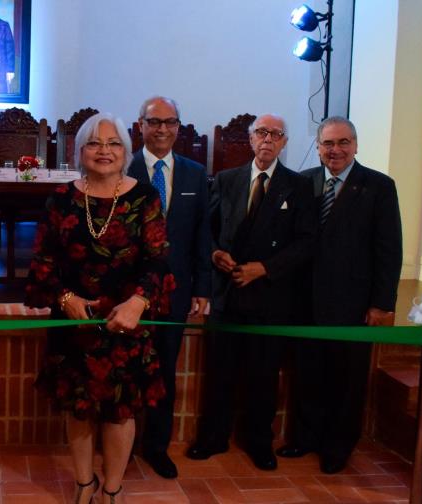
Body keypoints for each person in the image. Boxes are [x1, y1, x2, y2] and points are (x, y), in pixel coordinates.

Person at [26, 112, 174, 504]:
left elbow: (158, 259)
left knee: (120, 411)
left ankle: (112, 488)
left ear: (126, 151)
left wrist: (138, 302)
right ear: (80, 151)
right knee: (78, 408)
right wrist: (64, 298)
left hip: (126, 322)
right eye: (94, 143)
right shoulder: (61, 198)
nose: (104, 151)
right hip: (74, 322)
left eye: (113, 144)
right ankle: (83, 483)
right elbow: (41, 260)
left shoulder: (145, 196)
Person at [186, 114, 316, 471]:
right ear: (250, 138)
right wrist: (214, 253)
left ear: (284, 143)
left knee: (263, 374)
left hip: (270, 296)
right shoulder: (227, 180)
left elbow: (306, 242)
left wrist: (266, 268)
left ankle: (259, 442)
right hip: (226, 293)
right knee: (220, 372)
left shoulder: (298, 186)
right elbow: (206, 230)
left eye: (276, 134)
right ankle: (212, 438)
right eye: (262, 133)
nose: (268, 140)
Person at [277, 116, 402, 474]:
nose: (336, 150)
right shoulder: (304, 183)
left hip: (353, 303)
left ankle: (338, 447)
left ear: (356, 145)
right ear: (317, 147)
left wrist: (382, 303)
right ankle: (304, 438)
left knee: (346, 379)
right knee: (308, 373)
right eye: (328, 143)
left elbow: (389, 249)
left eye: (343, 142)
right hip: (305, 301)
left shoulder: (378, 186)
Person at [127, 96, 211, 479]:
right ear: (139, 125)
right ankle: (121, 445)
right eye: (154, 121)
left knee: (164, 371)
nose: (162, 129)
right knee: (123, 368)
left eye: (170, 122)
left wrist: (202, 288)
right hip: (127, 293)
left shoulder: (195, 173)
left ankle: (156, 446)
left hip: (175, 292)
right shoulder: (122, 169)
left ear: (180, 126)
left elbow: (201, 236)